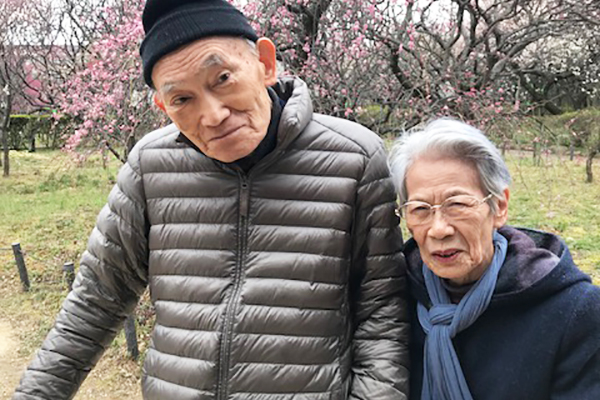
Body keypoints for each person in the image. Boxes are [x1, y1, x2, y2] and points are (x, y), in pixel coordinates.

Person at [13, 0, 410, 399]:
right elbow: (95, 299)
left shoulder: (353, 158)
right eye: (182, 99)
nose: (213, 115)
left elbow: (381, 311)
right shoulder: (150, 165)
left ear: (265, 64)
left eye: (222, 78)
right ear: (163, 106)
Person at [388, 118, 600, 400]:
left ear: (499, 207)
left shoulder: (575, 311)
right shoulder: (392, 298)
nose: (438, 229)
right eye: (420, 209)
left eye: (457, 204)